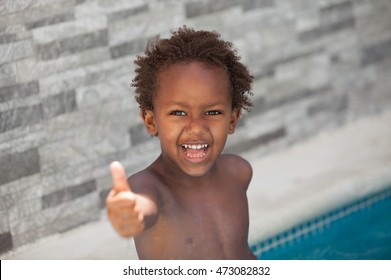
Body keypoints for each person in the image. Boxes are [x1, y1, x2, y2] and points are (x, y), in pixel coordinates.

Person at [106, 26, 255, 260]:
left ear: (232, 119)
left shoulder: (238, 173)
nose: (196, 127)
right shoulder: (149, 188)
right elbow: (143, 206)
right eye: (178, 113)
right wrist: (132, 211)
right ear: (151, 120)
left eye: (213, 112)